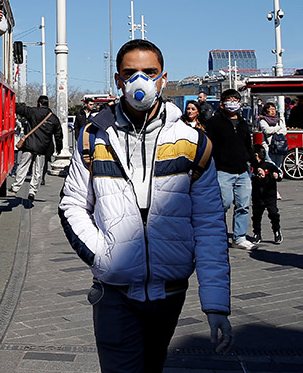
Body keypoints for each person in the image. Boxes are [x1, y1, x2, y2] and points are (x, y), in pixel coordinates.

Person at [59, 39, 233, 372]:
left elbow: (209, 222)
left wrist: (216, 304)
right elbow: (73, 204)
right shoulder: (94, 137)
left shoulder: (193, 142)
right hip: (114, 291)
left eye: (149, 72)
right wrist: (102, 255)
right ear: (118, 80)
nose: (140, 81)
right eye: (130, 73)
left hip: (170, 292)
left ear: (163, 79)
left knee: (153, 365)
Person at [207, 89, 261, 251]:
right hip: (223, 170)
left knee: (243, 205)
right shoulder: (214, 122)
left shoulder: (243, 123)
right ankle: (217, 235)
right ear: (222, 104)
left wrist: (256, 165)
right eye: (229, 100)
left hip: (243, 171)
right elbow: (208, 146)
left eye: (236, 100)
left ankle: (239, 237)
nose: (233, 103)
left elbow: (247, 147)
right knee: (223, 204)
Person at [11, 95, 62, 201]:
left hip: (29, 145)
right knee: (38, 170)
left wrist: (10, 103)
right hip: (42, 148)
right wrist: (59, 147)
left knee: (23, 166)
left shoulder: (32, 112)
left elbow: (20, 109)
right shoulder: (53, 118)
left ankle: (15, 187)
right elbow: (58, 134)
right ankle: (32, 191)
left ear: (39, 103)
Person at [251, 144, 282, 244]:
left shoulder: (269, 165)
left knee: (273, 213)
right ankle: (257, 233)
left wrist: (277, 176)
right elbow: (249, 175)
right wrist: (255, 174)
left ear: (256, 155)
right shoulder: (252, 167)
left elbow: (279, 172)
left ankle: (276, 231)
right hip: (257, 196)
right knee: (256, 216)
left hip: (269, 195)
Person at [256, 102, 287, 168]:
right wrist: (278, 128)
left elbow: (284, 131)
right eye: (270, 109)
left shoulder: (279, 120)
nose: (273, 111)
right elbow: (267, 130)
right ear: (266, 111)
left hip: (279, 146)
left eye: (274, 109)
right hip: (268, 146)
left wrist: (275, 130)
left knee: (278, 165)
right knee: (270, 165)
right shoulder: (263, 120)